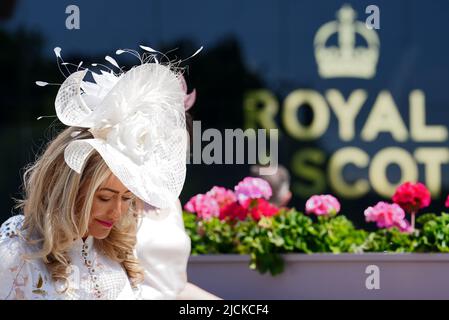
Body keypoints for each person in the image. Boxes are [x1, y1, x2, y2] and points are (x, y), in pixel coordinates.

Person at [0, 46, 204, 299]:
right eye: (104, 197)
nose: (117, 212)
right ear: (69, 189)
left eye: (128, 198)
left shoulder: (114, 250)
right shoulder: (17, 247)